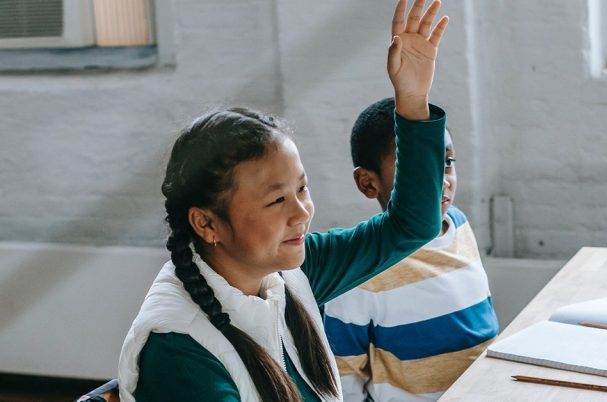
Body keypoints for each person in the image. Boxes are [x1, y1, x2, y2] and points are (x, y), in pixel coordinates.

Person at [116, 1, 450, 401]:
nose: (302, 213)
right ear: (206, 223)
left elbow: (413, 225)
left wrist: (412, 99)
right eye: (276, 201)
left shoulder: (286, 273)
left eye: (302, 189)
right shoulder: (178, 351)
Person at [323, 98, 499, 402]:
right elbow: (342, 380)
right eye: (416, 168)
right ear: (368, 183)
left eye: (446, 162)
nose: (441, 180)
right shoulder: (361, 267)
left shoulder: (458, 224)